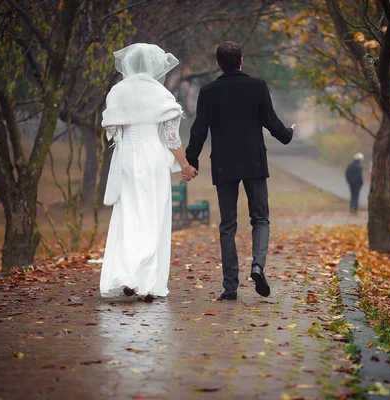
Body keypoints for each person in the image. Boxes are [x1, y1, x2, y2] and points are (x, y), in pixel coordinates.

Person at [185, 41, 295, 301]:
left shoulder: (208, 92)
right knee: (260, 218)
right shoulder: (257, 86)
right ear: (242, 61)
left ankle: (230, 287)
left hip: (223, 164)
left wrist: (191, 161)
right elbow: (270, 121)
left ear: (218, 64)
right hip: (254, 162)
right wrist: (287, 135)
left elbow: (199, 129)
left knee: (228, 226)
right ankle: (257, 265)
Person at [99, 43, 198, 302]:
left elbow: (113, 131)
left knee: (130, 215)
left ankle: (127, 274)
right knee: (154, 215)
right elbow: (172, 137)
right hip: (153, 157)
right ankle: (146, 281)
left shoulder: (118, 92)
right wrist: (185, 165)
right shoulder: (160, 94)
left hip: (127, 157)